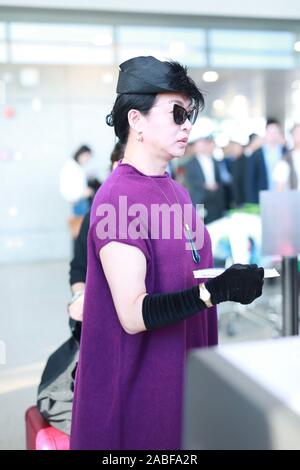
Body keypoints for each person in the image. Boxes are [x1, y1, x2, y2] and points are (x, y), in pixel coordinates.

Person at [70, 56, 264, 450]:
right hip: (140, 400)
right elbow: (133, 314)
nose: (187, 125)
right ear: (136, 120)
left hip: (184, 385)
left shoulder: (175, 190)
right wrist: (216, 292)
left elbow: (185, 273)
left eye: (189, 114)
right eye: (176, 113)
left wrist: (228, 279)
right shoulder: (119, 197)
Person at [184, 135, 225, 223]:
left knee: (216, 223)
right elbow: (189, 180)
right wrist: (204, 185)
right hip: (200, 199)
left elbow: (219, 179)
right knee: (200, 225)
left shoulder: (215, 161)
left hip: (215, 199)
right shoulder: (190, 163)